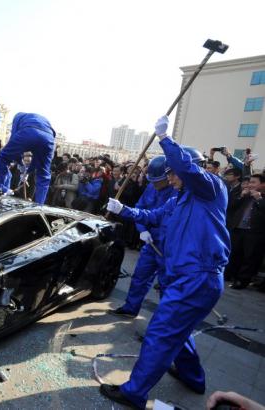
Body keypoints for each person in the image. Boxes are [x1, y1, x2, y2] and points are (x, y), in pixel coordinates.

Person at [101, 116, 230, 409]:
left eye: (172, 173)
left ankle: (134, 392)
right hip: (186, 277)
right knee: (178, 332)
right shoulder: (178, 200)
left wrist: (164, 139)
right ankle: (192, 377)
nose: (169, 180)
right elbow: (151, 216)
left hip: (197, 277)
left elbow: (186, 168)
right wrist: (123, 210)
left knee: (161, 333)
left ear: (191, 168)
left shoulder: (211, 189)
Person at [108, 155, 175, 318]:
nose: (155, 184)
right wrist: (142, 229)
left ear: (168, 176)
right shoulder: (151, 187)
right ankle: (131, 308)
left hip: (168, 247)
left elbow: (160, 217)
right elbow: (140, 208)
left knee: (167, 285)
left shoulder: (177, 192)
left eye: (158, 181)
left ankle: (163, 321)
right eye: (152, 180)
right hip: (150, 242)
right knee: (140, 276)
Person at [0, 113, 56, 204]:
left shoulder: (17, 116)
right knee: (44, 175)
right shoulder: (43, 122)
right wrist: (27, 171)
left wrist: (21, 165)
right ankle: (40, 204)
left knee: (3, 157)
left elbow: (15, 151)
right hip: (49, 137)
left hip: (28, 132)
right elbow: (36, 161)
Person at [224, 173, 265, 289]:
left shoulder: (260, 197)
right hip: (238, 229)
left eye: (253, 182)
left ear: (263, 184)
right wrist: (241, 196)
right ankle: (229, 275)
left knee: (249, 257)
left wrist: (259, 199)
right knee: (234, 253)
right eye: (249, 182)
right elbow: (230, 206)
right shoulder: (245, 195)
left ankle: (242, 281)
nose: (250, 185)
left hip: (255, 233)